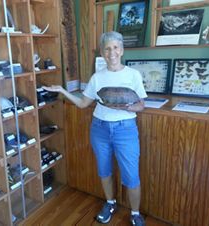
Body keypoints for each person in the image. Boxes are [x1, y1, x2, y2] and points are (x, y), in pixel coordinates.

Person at [43, 31, 147, 226]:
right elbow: (83, 103)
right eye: (107, 49)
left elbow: (141, 105)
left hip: (125, 129)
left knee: (131, 175)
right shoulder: (97, 78)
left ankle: (135, 213)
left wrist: (127, 107)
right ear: (102, 52)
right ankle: (110, 203)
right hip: (99, 129)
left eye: (115, 47)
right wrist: (62, 91)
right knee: (104, 170)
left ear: (122, 50)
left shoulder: (133, 75)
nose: (112, 52)